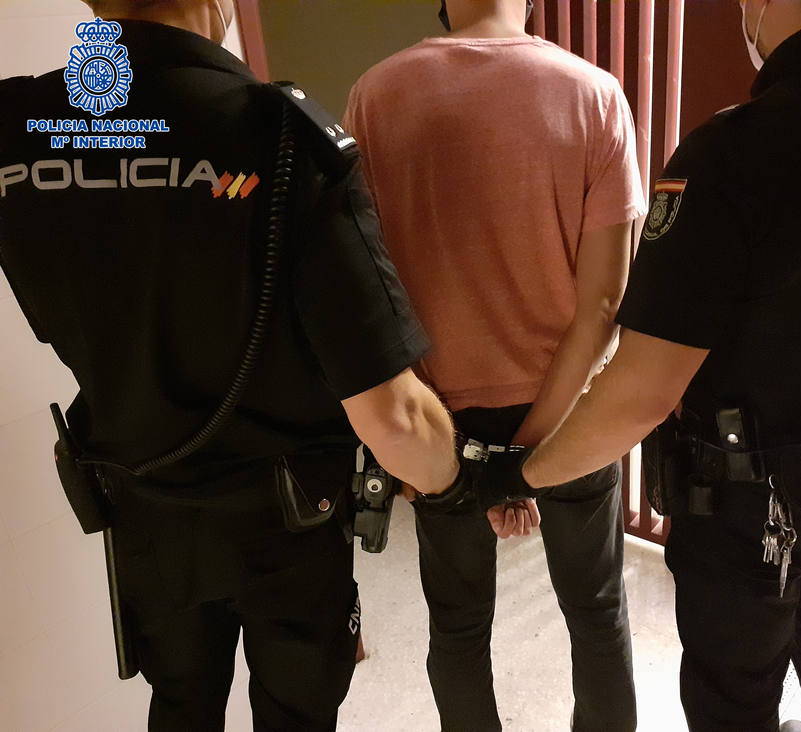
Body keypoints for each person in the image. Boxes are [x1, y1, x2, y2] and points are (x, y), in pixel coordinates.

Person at [489, 1, 801, 731]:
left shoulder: (733, 151)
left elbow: (642, 392)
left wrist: (524, 473)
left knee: (735, 692)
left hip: (748, 498)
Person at [0, 1, 466, 730]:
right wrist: (455, 478)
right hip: (286, 526)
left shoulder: (15, 125)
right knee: (295, 714)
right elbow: (398, 418)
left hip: (143, 512)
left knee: (179, 706)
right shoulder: (281, 138)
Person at [344, 0, 646, 729]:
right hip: (568, 416)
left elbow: (365, 295)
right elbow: (604, 306)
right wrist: (526, 460)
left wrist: (444, 450)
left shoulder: (375, 97)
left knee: (457, 625)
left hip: (439, 421)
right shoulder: (595, 96)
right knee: (597, 612)